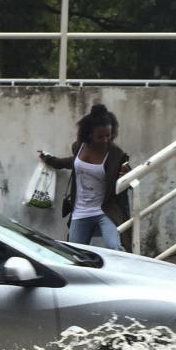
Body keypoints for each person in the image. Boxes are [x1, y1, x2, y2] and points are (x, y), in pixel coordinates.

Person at [39, 103, 133, 251]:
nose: (105, 140)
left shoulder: (116, 155)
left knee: (114, 247)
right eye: (100, 136)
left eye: (108, 135)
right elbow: (75, 163)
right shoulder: (79, 147)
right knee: (74, 251)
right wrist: (52, 160)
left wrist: (127, 176)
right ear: (89, 134)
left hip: (105, 210)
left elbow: (127, 178)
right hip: (80, 211)